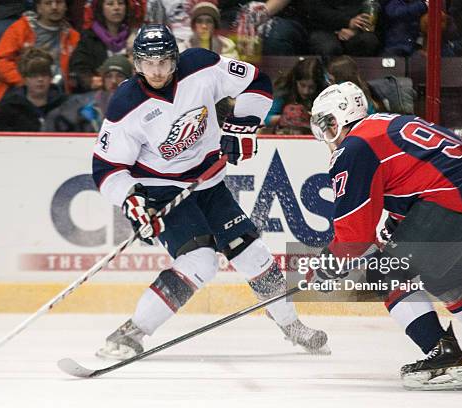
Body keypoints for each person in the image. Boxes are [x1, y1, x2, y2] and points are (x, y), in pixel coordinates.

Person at [91, 24, 330, 360]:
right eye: (148, 63)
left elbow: (255, 81)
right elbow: (106, 169)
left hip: (210, 183)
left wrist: (244, 123)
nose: (156, 71)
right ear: (137, 64)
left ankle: (291, 325)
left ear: (175, 58)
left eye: (163, 61)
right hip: (162, 191)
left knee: (254, 255)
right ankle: (131, 332)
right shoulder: (126, 105)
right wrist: (132, 199)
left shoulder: (201, 67)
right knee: (199, 261)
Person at [307, 82, 462, 390]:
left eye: (326, 124)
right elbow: (418, 181)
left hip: (454, 203)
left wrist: (328, 266)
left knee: (384, 273)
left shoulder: (355, 147)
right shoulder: (386, 124)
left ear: (341, 117)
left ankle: (444, 357)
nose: (324, 134)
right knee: (444, 278)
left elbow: (354, 236)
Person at [0, 0, 80, 112]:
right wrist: (26, 82)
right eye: (48, 3)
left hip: (57, 99)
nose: (54, 7)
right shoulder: (19, 29)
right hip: (18, 96)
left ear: (65, 7)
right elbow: (0, 63)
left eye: (59, 2)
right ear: (39, 7)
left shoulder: (73, 37)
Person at [44, 54, 132, 132]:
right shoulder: (83, 103)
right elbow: (53, 118)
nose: (114, 81)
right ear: (103, 79)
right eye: (109, 76)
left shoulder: (138, 104)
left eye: (120, 76)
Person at [0, 48, 67, 132]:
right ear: (25, 79)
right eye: (34, 75)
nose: (40, 79)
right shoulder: (9, 106)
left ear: (50, 77)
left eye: (44, 74)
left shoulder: (65, 105)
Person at [69, 0, 137, 93]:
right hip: (97, 94)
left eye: (120, 3)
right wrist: (90, 80)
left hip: (130, 92)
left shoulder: (135, 36)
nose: (116, 8)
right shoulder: (89, 38)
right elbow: (78, 67)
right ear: (101, 8)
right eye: (110, 4)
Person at [264, 57, 328, 134]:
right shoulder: (283, 91)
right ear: (295, 81)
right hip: (284, 136)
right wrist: (285, 118)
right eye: (302, 85)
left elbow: (332, 122)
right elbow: (265, 119)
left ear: (318, 85)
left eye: (311, 87)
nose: (306, 91)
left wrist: (310, 118)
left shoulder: (326, 94)